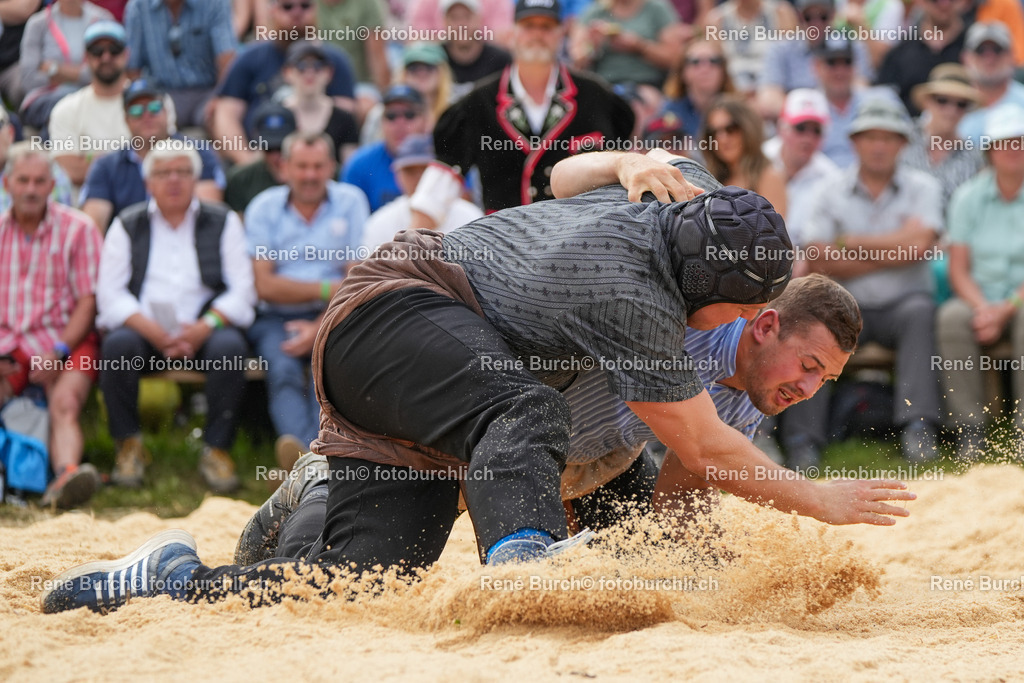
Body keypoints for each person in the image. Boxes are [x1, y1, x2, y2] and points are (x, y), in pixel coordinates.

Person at [39, 154, 914, 615]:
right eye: (737, 317)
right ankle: (522, 556)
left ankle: (170, 575)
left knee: (364, 582)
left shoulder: (689, 199)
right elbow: (697, 443)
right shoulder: (634, 297)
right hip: (399, 308)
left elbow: (561, 177)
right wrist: (821, 500)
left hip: (449, 389)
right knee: (525, 408)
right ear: (743, 311)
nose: (802, 380)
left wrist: (621, 160)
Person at [230, 273, 870, 566]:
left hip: (591, 457)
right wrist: (816, 499)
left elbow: (682, 494)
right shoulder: (685, 319)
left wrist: (690, 564)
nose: (809, 389)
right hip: (492, 427)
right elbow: (708, 452)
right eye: (808, 365)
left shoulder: (751, 394)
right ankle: (320, 477)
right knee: (332, 571)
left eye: (827, 380)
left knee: (645, 547)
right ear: (763, 327)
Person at [95, 141, 256, 493]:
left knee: (229, 347)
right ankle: (129, 447)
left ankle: (217, 450)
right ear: (147, 181)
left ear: (196, 179)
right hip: (145, 331)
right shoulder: (128, 223)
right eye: (163, 172)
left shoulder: (223, 220)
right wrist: (152, 330)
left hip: (203, 328)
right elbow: (109, 295)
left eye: (183, 172)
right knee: (118, 344)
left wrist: (204, 327)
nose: (174, 180)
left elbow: (243, 291)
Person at [796, 97, 944, 463]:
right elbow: (817, 257)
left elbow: (922, 246)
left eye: (888, 137)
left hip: (902, 305)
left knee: (921, 312)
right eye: (870, 137)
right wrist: (898, 246)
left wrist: (850, 242)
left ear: (902, 144)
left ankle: (918, 427)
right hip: (845, 307)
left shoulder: (924, 186)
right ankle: (803, 440)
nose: (879, 146)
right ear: (854, 142)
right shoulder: (829, 189)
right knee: (814, 318)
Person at [433, 0, 635, 213]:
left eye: (546, 27)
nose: (537, 35)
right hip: (504, 240)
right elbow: (441, 180)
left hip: (581, 238)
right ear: (513, 33)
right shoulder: (477, 102)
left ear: (561, 33)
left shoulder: (596, 95)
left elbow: (622, 167)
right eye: (528, 26)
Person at [244, 132, 369, 465]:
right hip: (275, 316)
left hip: (336, 314)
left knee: (327, 371)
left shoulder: (351, 201)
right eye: (302, 166)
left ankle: (310, 457)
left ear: (331, 166)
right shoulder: (263, 207)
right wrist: (326, 288)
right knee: (282, 368)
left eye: (318, 166)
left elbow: (356, 279)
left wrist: (318, 326)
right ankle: (310, 459)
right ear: (285, 167)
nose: (310, 175)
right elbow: (264, 286)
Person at [0, 143, 102, 509]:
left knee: (65, 401)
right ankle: (15, 481)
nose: (30, 189)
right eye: (23, 180)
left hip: (68, 340)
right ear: (7, 182)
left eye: (39, 181)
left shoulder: (79, 229)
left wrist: (58, 352)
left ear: (51, 185)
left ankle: (66, 478)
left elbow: (88, 300)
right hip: (8, 344)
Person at [937, 104, 1024, 457]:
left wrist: (1006, 308)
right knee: (951, 318)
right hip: (981, 295)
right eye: (1006, 143)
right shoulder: (968, 197)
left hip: (1018, 298)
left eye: (1019, 142)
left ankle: (1022, 432)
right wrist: (984, 307)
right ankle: (969, 430)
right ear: (990, 150)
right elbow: (958, 269)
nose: (1014, 150)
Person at [211, 0, 356, 166]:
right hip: (263, 156)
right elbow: (226, 115)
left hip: (321, 164)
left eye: (305, 6)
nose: (297, 12)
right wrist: (248, 162)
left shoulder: (335, 59)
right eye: (287, 6)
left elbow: (346, 120)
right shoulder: (250, 58)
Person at [79, 79, 225, 232]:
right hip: (128, 247)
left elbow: (210, 217)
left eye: (154, 107)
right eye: (136, 111)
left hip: (189, 241)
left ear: (167, 112)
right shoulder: (106, 166)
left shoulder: (198, 152)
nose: (147, 116)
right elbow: (93, 229)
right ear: (126, 119)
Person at [123, 0, 237, 128]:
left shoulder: (214, 3)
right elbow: (132, 69)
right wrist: (148, 103)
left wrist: (219, 97)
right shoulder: (138, 6)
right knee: (146, 117)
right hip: (161, 94)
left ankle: (239, 148)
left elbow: (227, 58)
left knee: (224, 115)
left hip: (208, 91)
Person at [360, 133, 482, 250]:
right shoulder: (380, 222)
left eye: (426, 169)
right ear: (397, 175)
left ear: (439, 172)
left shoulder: (471, 217)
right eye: (410, 171)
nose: (419, 178)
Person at [46, 19, 131, 187]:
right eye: (97, 51)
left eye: (114, 50)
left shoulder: (153, 102)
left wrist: (90, 159)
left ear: (126, 54)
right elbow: (69, 170)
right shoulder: (66, 109)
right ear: (86, 58)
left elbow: (162, 161)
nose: (106, 57)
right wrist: (130, 162)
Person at [755, 0, 871, 121]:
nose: (816, 23)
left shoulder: (851, 46)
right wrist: (811, 112)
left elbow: (860, 91)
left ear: (833, 15)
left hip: (845, 122)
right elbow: (768, 102)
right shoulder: (781, 48)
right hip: (798, 127)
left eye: (823, 16)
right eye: (808, 17)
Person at [762, 89, 840, 251]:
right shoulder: (759, 160)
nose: (808, 137)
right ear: (782, 128)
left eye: (816, 130)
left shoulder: (832, 177)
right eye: (801, 128)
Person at [18, 0, 114, 129]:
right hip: (46, 99)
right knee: (63, 110)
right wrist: (84, 74)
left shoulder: (103, 20)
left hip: (93, 96)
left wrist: (54, 69)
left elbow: (110, 72)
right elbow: (28, 80)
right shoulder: (37, 23)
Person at [903, 64, 983, 209]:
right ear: (927, 101)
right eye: (942, 100)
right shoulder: (902, 138)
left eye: (961, 104)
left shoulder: (975, 157)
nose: (951, 110)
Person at [341, 84, 428, 212]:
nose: (400, 123)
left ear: (425, 120)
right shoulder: (359, 164)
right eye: (391, 116)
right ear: (381, 122)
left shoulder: (444, 158)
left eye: (409, 115)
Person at [699, 94, 788, 216]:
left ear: (747, 128)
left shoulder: (769, 177)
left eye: (731, 129)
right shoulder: (708, 179)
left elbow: (773, 231)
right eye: (714, 132)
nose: (722, 139)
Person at [874, 0, 966, 116]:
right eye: (936, 1)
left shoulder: (980, 50)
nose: (944, 5)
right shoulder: (901, 53)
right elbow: (882, 99)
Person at [568, 0, 686, 88]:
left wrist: (639, 46)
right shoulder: (596, 12)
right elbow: (577, 62)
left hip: (646, 84)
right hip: (604, 85)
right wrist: (593, 45)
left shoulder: (656, 8)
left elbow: (675, 59)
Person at [279, 41, 359, 164]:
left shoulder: (344, 119)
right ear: (287, 72)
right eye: (301, 66)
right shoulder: (276, 115)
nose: (310, 72)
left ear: (329, 72)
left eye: (317, 66)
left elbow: (349, 168)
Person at [704, 0, 799, 96]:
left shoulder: (780, 13)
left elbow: (790, 57)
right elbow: (717, 60)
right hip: (733, 84)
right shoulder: (717, 19)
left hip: (772, 84)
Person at [956, 22, 1024, 146]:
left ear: (1012, 56)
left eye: (997, 50)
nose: (989, 58)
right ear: (965, 58)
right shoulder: (946, 101)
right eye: (980, 50)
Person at [224, 101, 297, 213]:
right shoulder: (241, 180)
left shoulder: (316, 173)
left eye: (282, 148)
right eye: (269, 149)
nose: (277, 156)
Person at [0, 106, 74, 211]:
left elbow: (60, 222)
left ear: (10, 133)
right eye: (23, 180)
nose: (31, 189)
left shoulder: (44, 168)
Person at [661, 39, 734, 144]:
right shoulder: (670, 110)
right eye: (695, 62)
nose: (705, 68)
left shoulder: (738, 110)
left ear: (724, 69)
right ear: (682, 70)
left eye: (714, 61)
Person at [441, 0, 511, 103]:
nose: (461, 24)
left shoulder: (501, 60)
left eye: (467, 17)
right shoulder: (435, 58)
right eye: (454, 18)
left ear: (479, 19)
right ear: (445, 21)